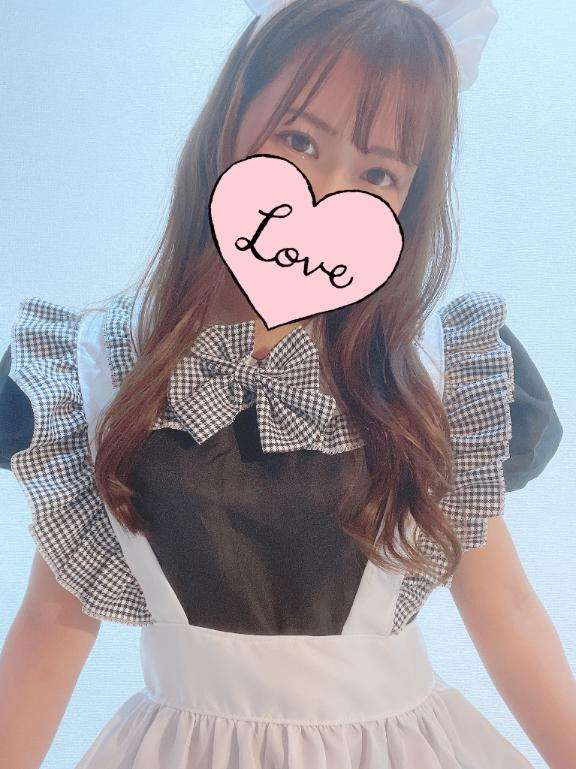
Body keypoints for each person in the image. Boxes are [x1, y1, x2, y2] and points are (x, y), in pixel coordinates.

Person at [0, 1, 572, 767]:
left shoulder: (432, 375)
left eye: (378, 173)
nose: (328, 191)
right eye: (300, 139)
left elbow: (505, 606)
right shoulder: (99, 370)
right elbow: (52, 624)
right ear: (231, 118)